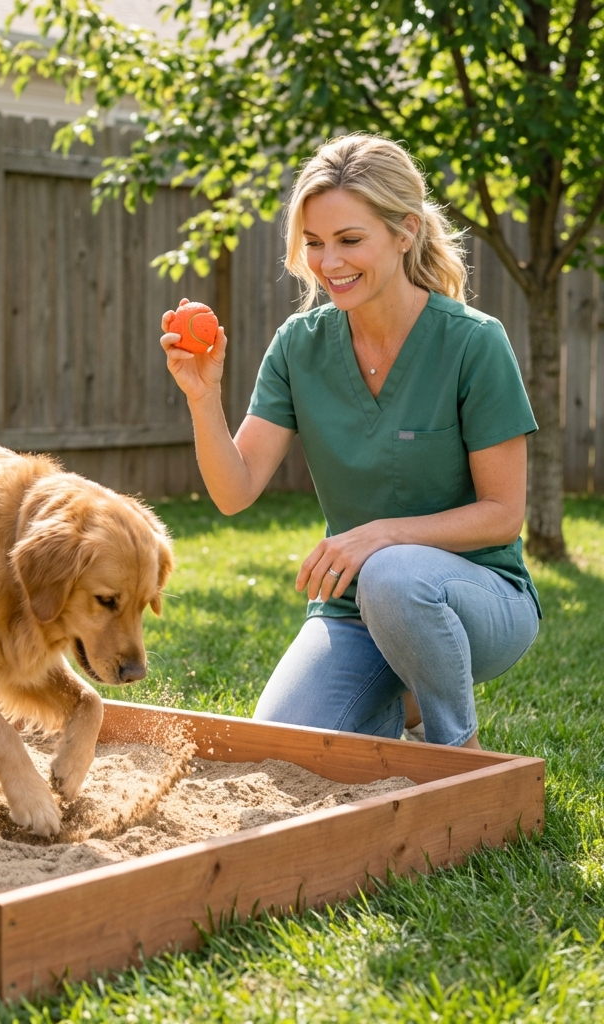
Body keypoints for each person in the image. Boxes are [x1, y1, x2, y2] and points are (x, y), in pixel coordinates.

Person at [160, 134, 540, 750]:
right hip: (355, 609)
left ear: (405, 232)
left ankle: (459, 754)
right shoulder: (298, 345)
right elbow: (234, 492)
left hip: (478, 598)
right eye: (313, 243)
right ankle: (402, 695)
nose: (328, 262)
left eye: (350, 240)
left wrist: (383, 534)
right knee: (283, 745)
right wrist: (203, 396)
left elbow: (503, 515)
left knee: (391, 574)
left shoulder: (474, 343)